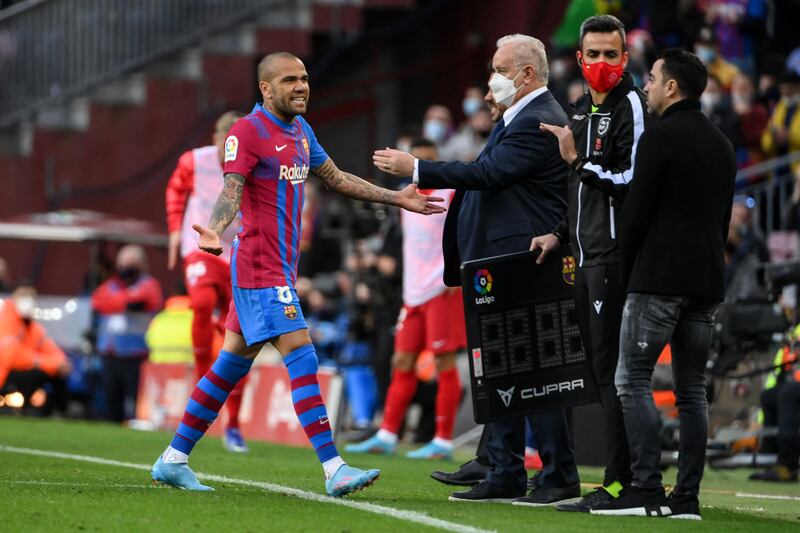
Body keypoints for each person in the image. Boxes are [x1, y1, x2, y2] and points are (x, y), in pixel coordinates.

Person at [150, 51, 445, 497]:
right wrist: (215, 228)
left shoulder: (300, 130)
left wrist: (396, 199)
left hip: (278, 267)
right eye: (290, 80)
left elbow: (338, 179)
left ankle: (173, 458)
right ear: (265, 88)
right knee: (302, 356)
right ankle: (333, 467)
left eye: (305, 79)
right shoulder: (246, 132)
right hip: (259, 266)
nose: (301, 87)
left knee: (229, 365)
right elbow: (232, 188)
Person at [374, 34, 578, 505]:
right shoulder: (519, 118)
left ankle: (557, 475)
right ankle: (503, 470)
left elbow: (489, 175)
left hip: (525, 259)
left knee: (534, 374)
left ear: (528, 73)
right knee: (506, 373)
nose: (491, 80)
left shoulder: (541, 119)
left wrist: (419, 168)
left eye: (500, 69)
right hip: (501, 261)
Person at [590, 49, 736, 520]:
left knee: (630, 379)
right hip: (707, 280)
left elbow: (635, 215)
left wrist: (627, 274)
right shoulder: (722, 144)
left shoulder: (659, 137)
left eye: (651, 79)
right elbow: (723, 221)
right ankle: (687, 499)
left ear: (672, 87)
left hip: (657, 279)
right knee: (692, 389)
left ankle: (646, 490)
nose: (646, 86)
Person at [531, 14, 649, 513]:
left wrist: (577, 159)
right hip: (583, 255)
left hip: (613, 257)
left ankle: (623, 482)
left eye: (611, 54)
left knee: (612, 372)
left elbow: (631, 182)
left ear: (625, 58)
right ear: (580, 59)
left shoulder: (633, 108)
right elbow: (582, 192)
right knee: (598, 371)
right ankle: (616, 478)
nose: (602, 63)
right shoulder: (579, 110)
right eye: (594, 54)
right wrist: (559, 234)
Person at [346, 138, 465, 460]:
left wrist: (460, 273)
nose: (424, 165)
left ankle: (442, 440)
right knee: (401, 362)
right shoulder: (404, 198)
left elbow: (466, 232)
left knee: (443, 363)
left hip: (442, 289)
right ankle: (387, 434)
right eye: (419, 159)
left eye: (430, 159)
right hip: (412, 294)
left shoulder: (453, 194)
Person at [165, 110, 250, 452]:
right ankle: (202, 376)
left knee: (243, 337)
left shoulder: (251, 162)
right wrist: (174, 231)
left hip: (237, 252)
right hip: (200, 245)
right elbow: (175, 191)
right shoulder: (194, 161)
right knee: (199, 302)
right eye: (225, 141)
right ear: (216, 138)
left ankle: (234, 424)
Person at [92, 245, 163, 423]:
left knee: (135, 399)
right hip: (111, 352)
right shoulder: (110, 285)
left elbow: (146, 299)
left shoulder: (149, 284)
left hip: (136, 353)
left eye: (131, 264)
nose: (126, 268)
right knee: (111, 397)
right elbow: (98, 301)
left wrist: (117, 302)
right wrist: (125, 301)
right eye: (123, 264)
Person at [0, 283, 72, 412]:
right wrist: (49, 364)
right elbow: (11, 356)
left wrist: (61, 362)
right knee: (39, 373)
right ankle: (21, 409)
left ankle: (61, 412)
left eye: (31, 296)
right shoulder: (5, 320)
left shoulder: (32, 326)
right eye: (23, 295)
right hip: (5, 373)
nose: (27, 299)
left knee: (57, 372)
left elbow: (48, 347)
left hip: (23, 369)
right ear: (14, 297)